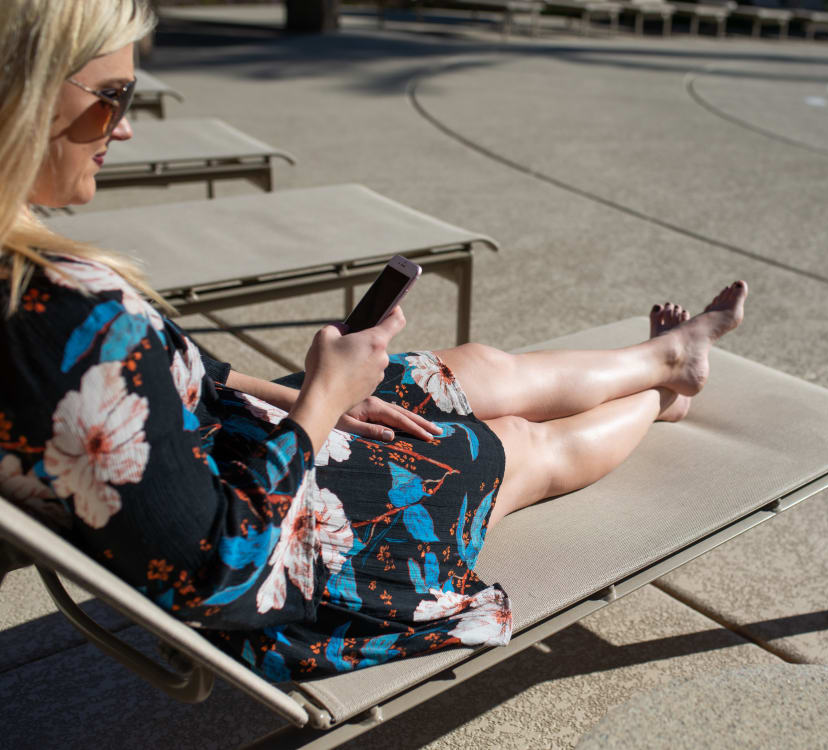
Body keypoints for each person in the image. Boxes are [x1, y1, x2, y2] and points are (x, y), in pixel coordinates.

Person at [0, 0, 747, 681]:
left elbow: (195, 375)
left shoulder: (31, 285)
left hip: (244, 453)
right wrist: (323, 401)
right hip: (282, 569)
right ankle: (658, 401)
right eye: (111, 100)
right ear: (21, 93)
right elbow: (216, 573)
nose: (125, 127)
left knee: (465, 369)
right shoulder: (54, 317)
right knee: (512, 445)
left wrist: (303, 396)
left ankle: (669, 358)